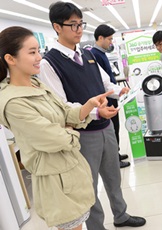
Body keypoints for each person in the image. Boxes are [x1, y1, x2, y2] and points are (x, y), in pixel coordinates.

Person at [38, 2, 146, 230]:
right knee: (89, 185)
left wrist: (121, 91)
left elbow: (105, 83)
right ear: (57, 27)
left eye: (80, 24)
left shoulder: (88, 54)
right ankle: (96, 226)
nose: (78, 29)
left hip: (105, 127)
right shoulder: (50, 63)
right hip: (82, 134)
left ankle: (121, 215)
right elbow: (62, 106)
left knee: (113, 176)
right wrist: (96, 110)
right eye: (73, 25)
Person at [0, 26, 114, 230]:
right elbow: (54, 138)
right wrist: (70, 131)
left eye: (38, 51)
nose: (39, 57)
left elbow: (63, 113)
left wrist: (87, 106)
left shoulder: (36, 85)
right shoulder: (13, 102)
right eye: (32, 52)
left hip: (70, 170)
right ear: (11, 58)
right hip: (56, 180)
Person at [91, 24, 130, 168]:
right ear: (100, 38)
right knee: (112, 129)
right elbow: (101, 82)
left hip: (113, 96)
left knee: (116, 128)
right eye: (109, 39)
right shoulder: (95, 55)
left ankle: (116, 154)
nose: (111, 42)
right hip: (107, 99)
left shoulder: (101, 54)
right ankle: (114, 160)